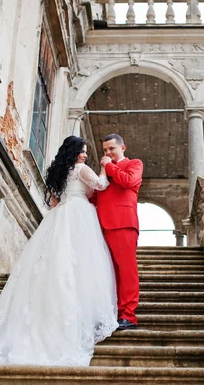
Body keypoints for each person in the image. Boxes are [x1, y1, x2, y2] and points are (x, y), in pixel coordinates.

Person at [0, 136, 118, 366]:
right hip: (79, 215)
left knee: (56, 265)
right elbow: (101, 185)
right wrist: (103, 168)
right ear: (75, 152)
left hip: (61, 216)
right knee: (78, 265)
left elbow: (52, 203)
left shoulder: (60, 171)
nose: (86, 155)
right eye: (83, 151)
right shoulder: (81, 169)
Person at [92, 134, 143, 330]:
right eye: (105, 150)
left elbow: (128, 182)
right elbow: (96, 196)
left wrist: (109, 167)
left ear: (123, 148)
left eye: (111, 149)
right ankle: (112, 313)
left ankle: (128, 315)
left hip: (123, 223)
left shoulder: (134, 164)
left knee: (127, 271)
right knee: (110, 272)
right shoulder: (105, 171)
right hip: (102, 225)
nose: (107, 153)